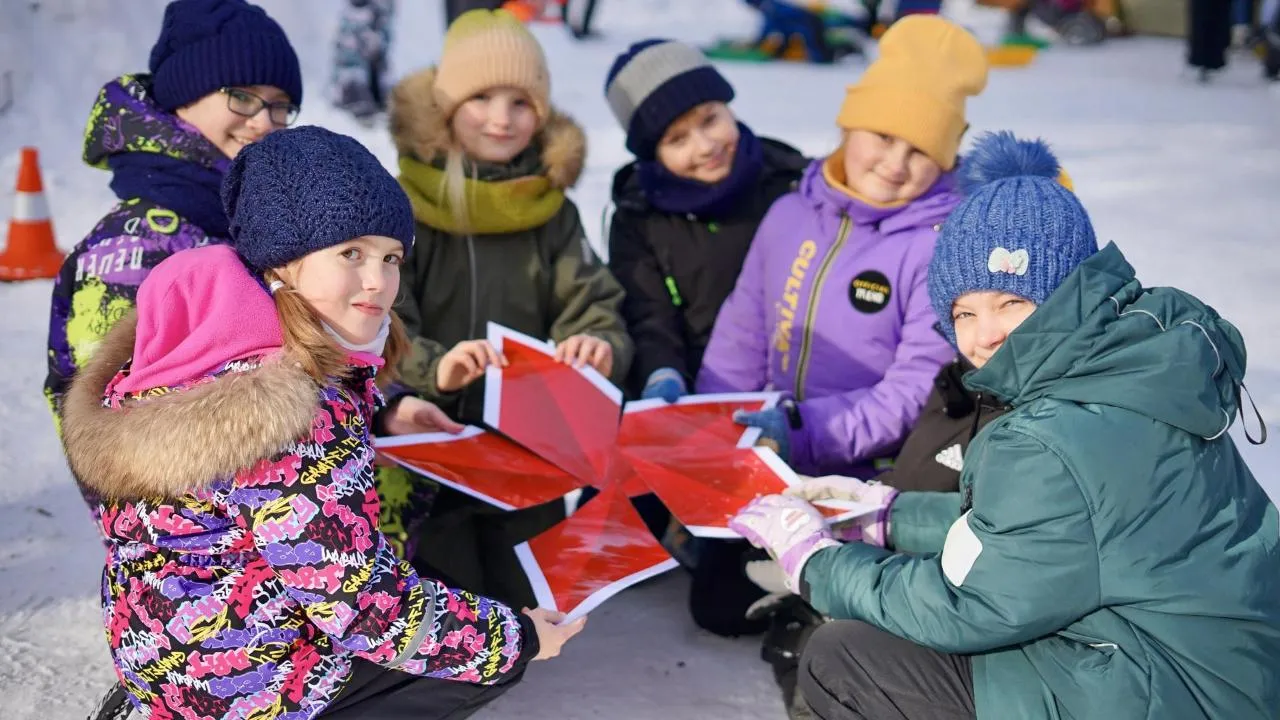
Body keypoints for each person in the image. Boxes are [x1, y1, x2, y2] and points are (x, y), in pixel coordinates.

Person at [730, 131, 1280, 720]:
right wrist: (887, 516)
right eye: (963, 312)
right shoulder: (1134, 372)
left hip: (1166, 691)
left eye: (1011, 302)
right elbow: (1059, 533)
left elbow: (969, 606)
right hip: (1216, 669)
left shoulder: (1056, 432)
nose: (983, 333)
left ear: (1068, 292)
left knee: (845, 657)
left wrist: (816, 563)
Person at [61, 126, 586, 720]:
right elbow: (364, 611)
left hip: (158, 650)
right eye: (350, 253)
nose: (377, 281)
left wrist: (383, 418)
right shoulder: (286, 405)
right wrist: (518, 638)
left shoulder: (203, 345)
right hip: (244, 683)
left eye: (391, 258)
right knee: (471, 659)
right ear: (284, 260)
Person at [386, 8, 631, 607]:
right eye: (482, 98)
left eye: (520, 102)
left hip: (527, 452)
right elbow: (384, 316)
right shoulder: (405, 205)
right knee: (449, 599)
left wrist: (596, 341)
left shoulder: (551, 209)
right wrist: (434, 368)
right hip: (429, 445)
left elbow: (591, 300)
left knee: (532, 604)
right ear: (446, 108)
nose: (501, 118)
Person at [697, 15, 989, 480]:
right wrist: (714, 426)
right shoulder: (789, 216)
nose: (895, 164)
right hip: (761, 451)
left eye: (920, 151)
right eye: (884, 137)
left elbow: (914, 387)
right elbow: (741, 335)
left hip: (864, 478)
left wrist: (805, 432)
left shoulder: (938, 249)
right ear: (849, 128)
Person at [602, 37, 809, 638]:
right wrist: (664, 372)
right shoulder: (640, 213)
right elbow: (647, 314)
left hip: (784, 397)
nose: (704, 146)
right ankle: (674, 524)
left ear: (728, 105)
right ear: (651, 152)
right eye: (677, 139)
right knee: (644, 551)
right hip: (694, 399)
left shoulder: (789, 179)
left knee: (724, 600)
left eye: (710, 120)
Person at [46, 0, 302, 424]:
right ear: (183, 95)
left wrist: (385, 409)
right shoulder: (134, 244)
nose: (263, 123)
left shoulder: (263, 217)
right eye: (242, 96)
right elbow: (110, 431)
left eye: (280, 105)